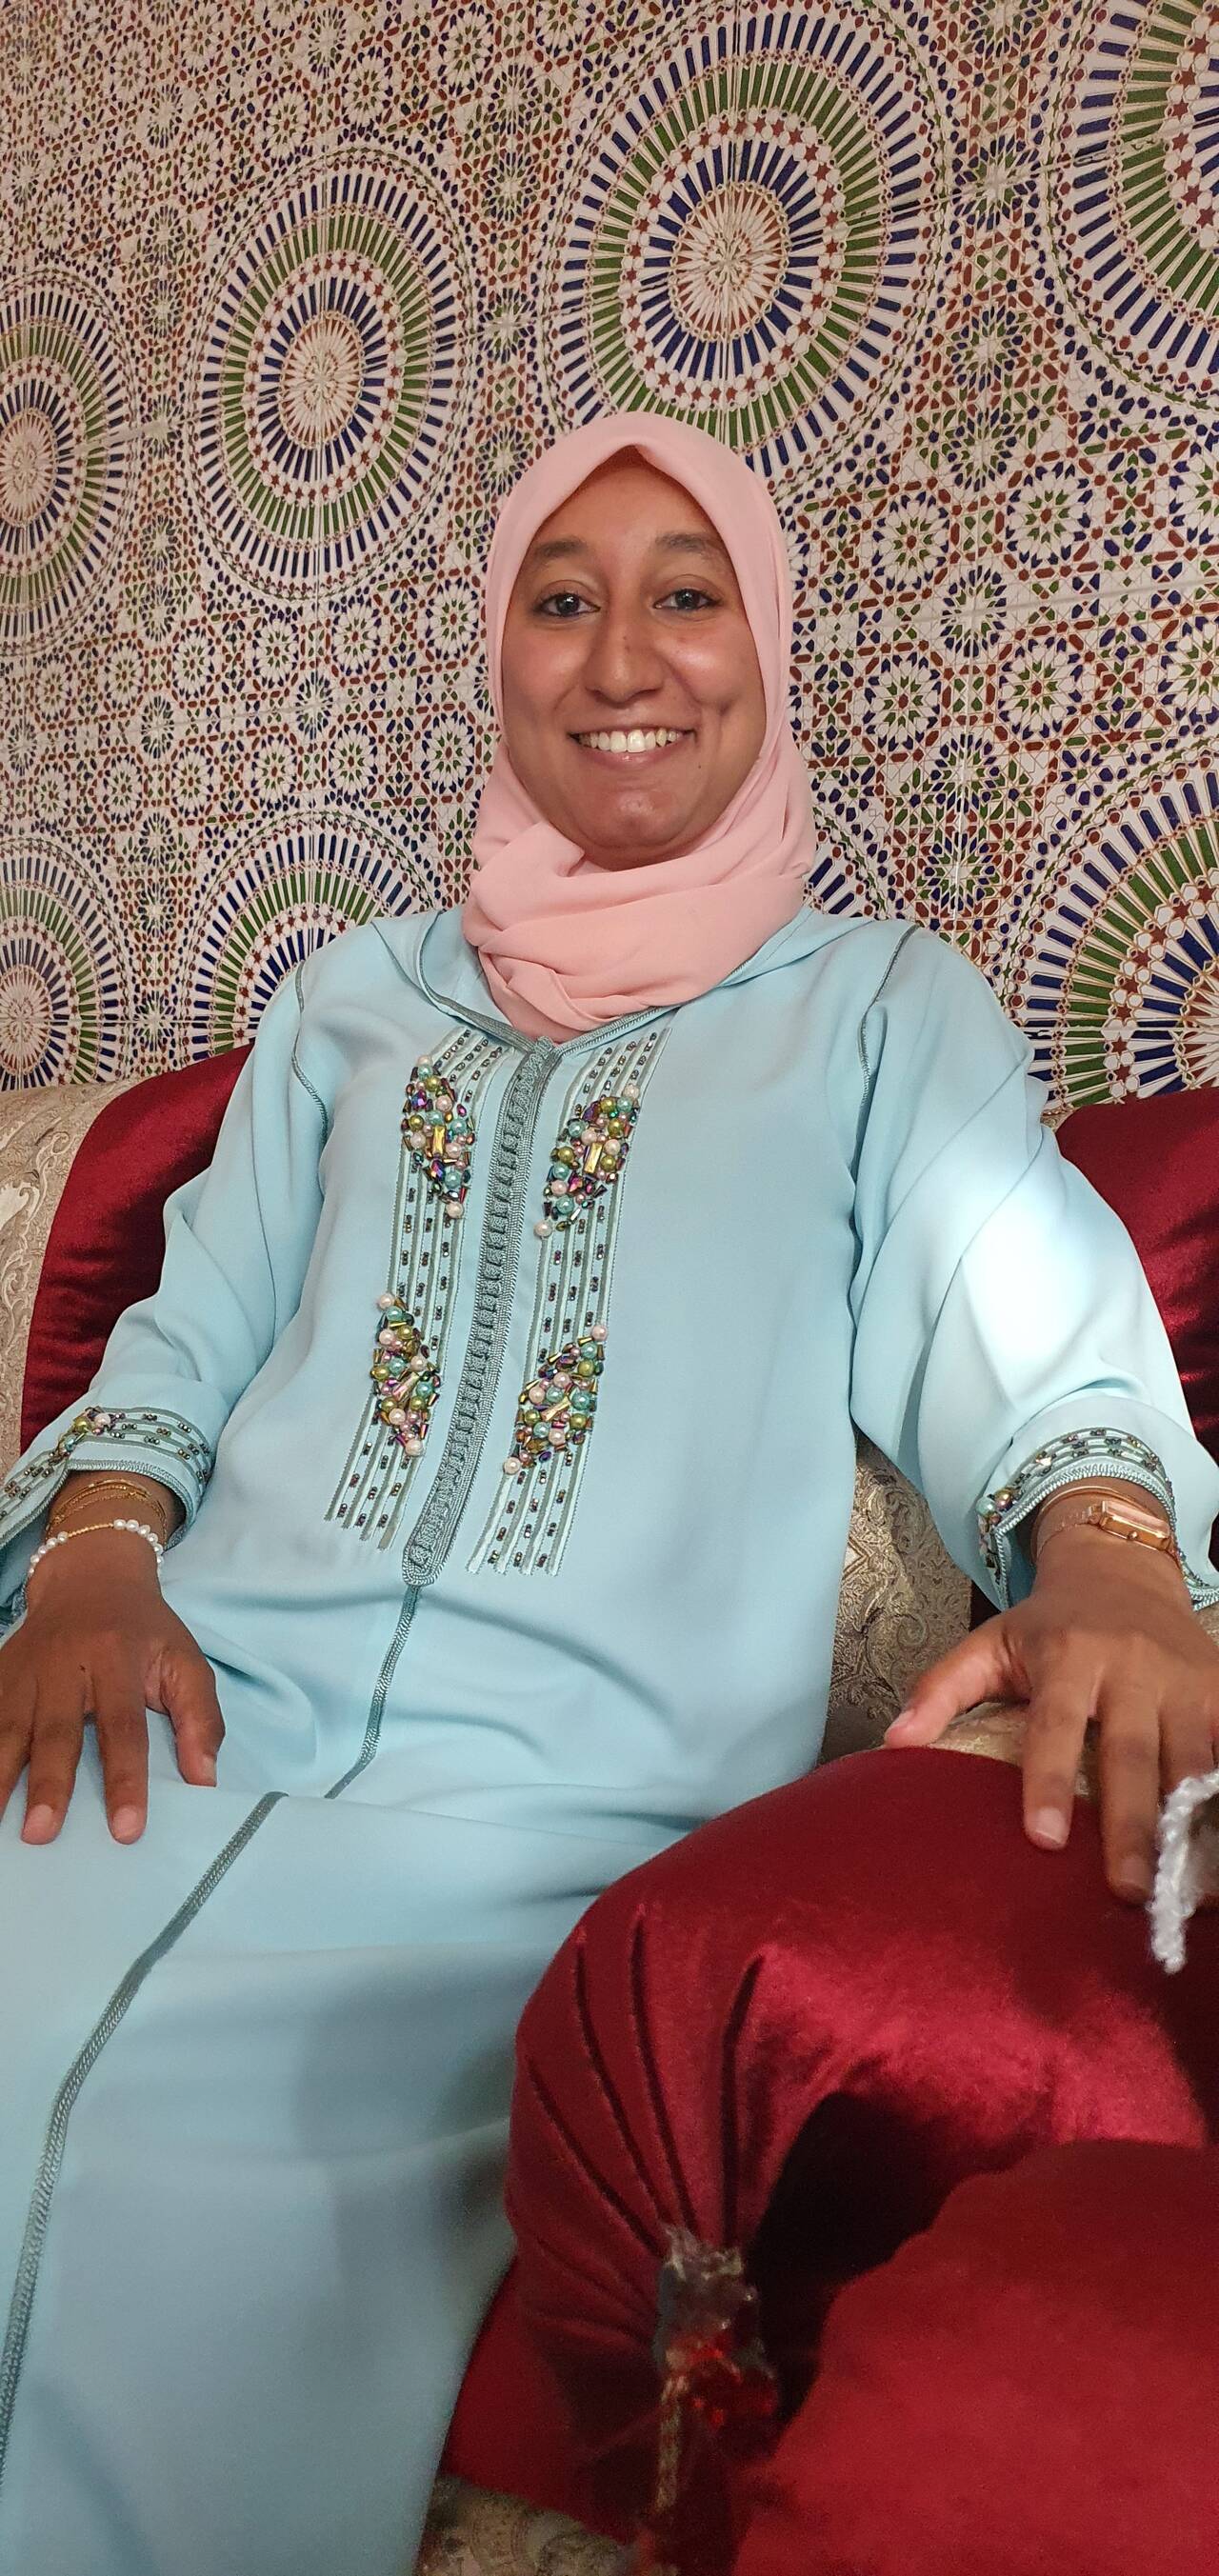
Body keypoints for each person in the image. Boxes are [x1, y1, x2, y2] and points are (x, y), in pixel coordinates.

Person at [0, 413, 1215, 2576]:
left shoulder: (874, 1013)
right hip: (188, 1725)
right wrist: (93, 1559)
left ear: (767, 650)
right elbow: (191, 1326)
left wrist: (1113, 1557)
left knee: (177, 2166)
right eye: (562, 600)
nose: (624, 655)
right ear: (499, 657)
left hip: (548, 1819)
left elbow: (1013, 1296)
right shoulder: (350, 1009)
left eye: (687, 593)